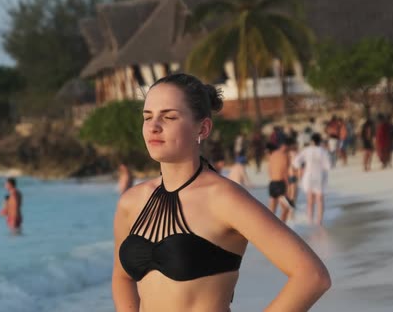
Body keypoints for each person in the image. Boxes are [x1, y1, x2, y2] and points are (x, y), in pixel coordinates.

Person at [113, 74, 330, 312]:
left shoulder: (224, 198)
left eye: (169, 117)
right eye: (147, 117)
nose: (153, 126)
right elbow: (122, 278)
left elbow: (311, 276)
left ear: (203, 128)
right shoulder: (131, 203)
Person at [293, 133, 332, 226]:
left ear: (312, 141)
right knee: (320, 199)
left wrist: (302, 167)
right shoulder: (323, 151)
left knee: (310, 199)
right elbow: (328, 166)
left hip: (308, 175)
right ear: (319, 141)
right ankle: (319, 221)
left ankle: (310, 220)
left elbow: (296, 162)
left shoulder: (306, 150)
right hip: (319, 175)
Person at [267, 142, 294, 223]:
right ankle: (282, 226)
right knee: (286, 207)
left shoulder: (272, 155)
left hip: (272, 183)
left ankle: (269, 227)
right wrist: (288, 185)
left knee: (271, 210)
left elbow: (269, 170)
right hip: (280, 183)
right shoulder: (285, 156)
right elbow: (285, 172)